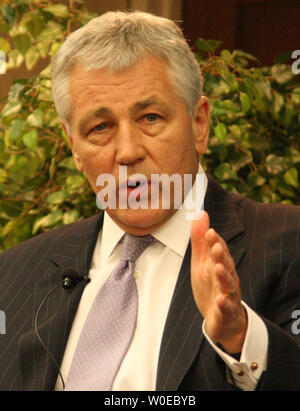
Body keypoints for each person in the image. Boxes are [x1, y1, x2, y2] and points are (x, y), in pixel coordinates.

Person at [0, 10, 300, 392]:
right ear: (74, 147)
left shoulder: (289, 243)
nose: (127, 152)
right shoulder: (12, 275)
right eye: (100, 127)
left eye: (151, 118)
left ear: (199, 123)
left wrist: (242, 337)